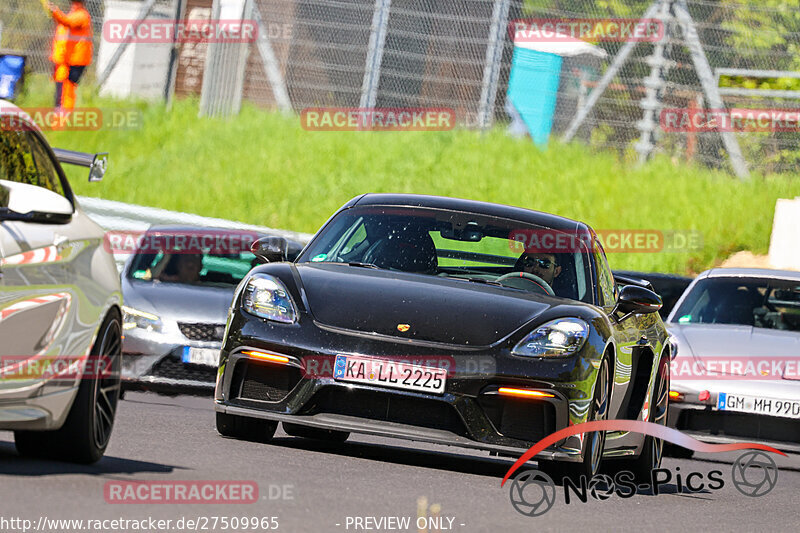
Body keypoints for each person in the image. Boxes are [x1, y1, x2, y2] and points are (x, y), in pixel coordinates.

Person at [48, 0, 93, 110]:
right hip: (66, 59)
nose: (73, 4)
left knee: (68, 88)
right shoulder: (73, 14)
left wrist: (55, 11)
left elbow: (67, 22)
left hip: (76, 60)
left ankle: (65, 114)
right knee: (61, 86)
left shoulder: (82, 15)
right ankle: (59, 114)